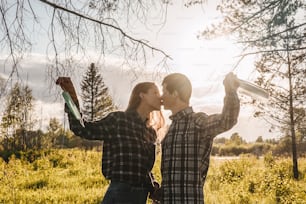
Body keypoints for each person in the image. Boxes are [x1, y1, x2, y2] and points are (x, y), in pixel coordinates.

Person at [56, 77, 163, 204]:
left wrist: (153, 187)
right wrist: (71, 97)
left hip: (140, 196)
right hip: (120, 193)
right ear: (142, 95)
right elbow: (83, 128)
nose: (160, 97)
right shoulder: (118, 120)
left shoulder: (150, 132)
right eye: (155, 93)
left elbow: (144, 169)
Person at [160, 72, 240, 203]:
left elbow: (227, 120)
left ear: (175, 93)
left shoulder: (197, 121)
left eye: (164, 91)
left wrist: (230, 90)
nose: (161, 97)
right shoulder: (172, 128)